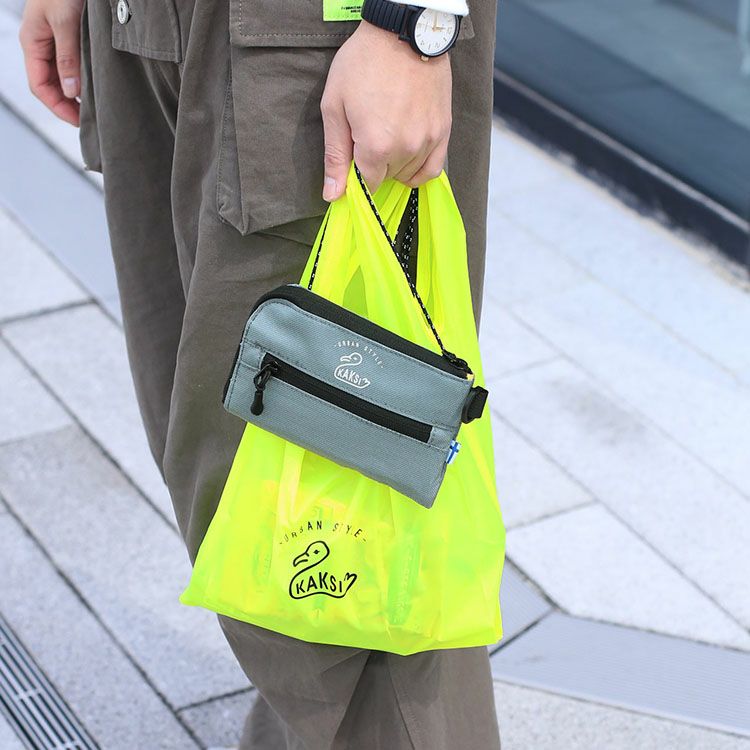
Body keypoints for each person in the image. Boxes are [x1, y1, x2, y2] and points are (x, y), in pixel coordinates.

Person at [19, 0, 501, 746]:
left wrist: (413, 23)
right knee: (233, 506)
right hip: (146, 28)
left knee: (353, 565)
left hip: (320, 32)